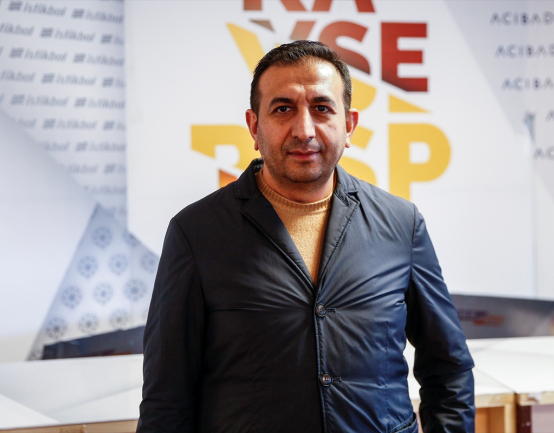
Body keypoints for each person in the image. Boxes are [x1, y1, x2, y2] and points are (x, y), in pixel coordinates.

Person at [137, 40, 474, 433]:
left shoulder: (402, 224)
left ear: (349, 126)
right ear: (254, 126)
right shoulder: (197, 233)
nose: (304, 130)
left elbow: (448, 369)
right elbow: (166, 397)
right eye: (283, 109)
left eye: (322, 108)